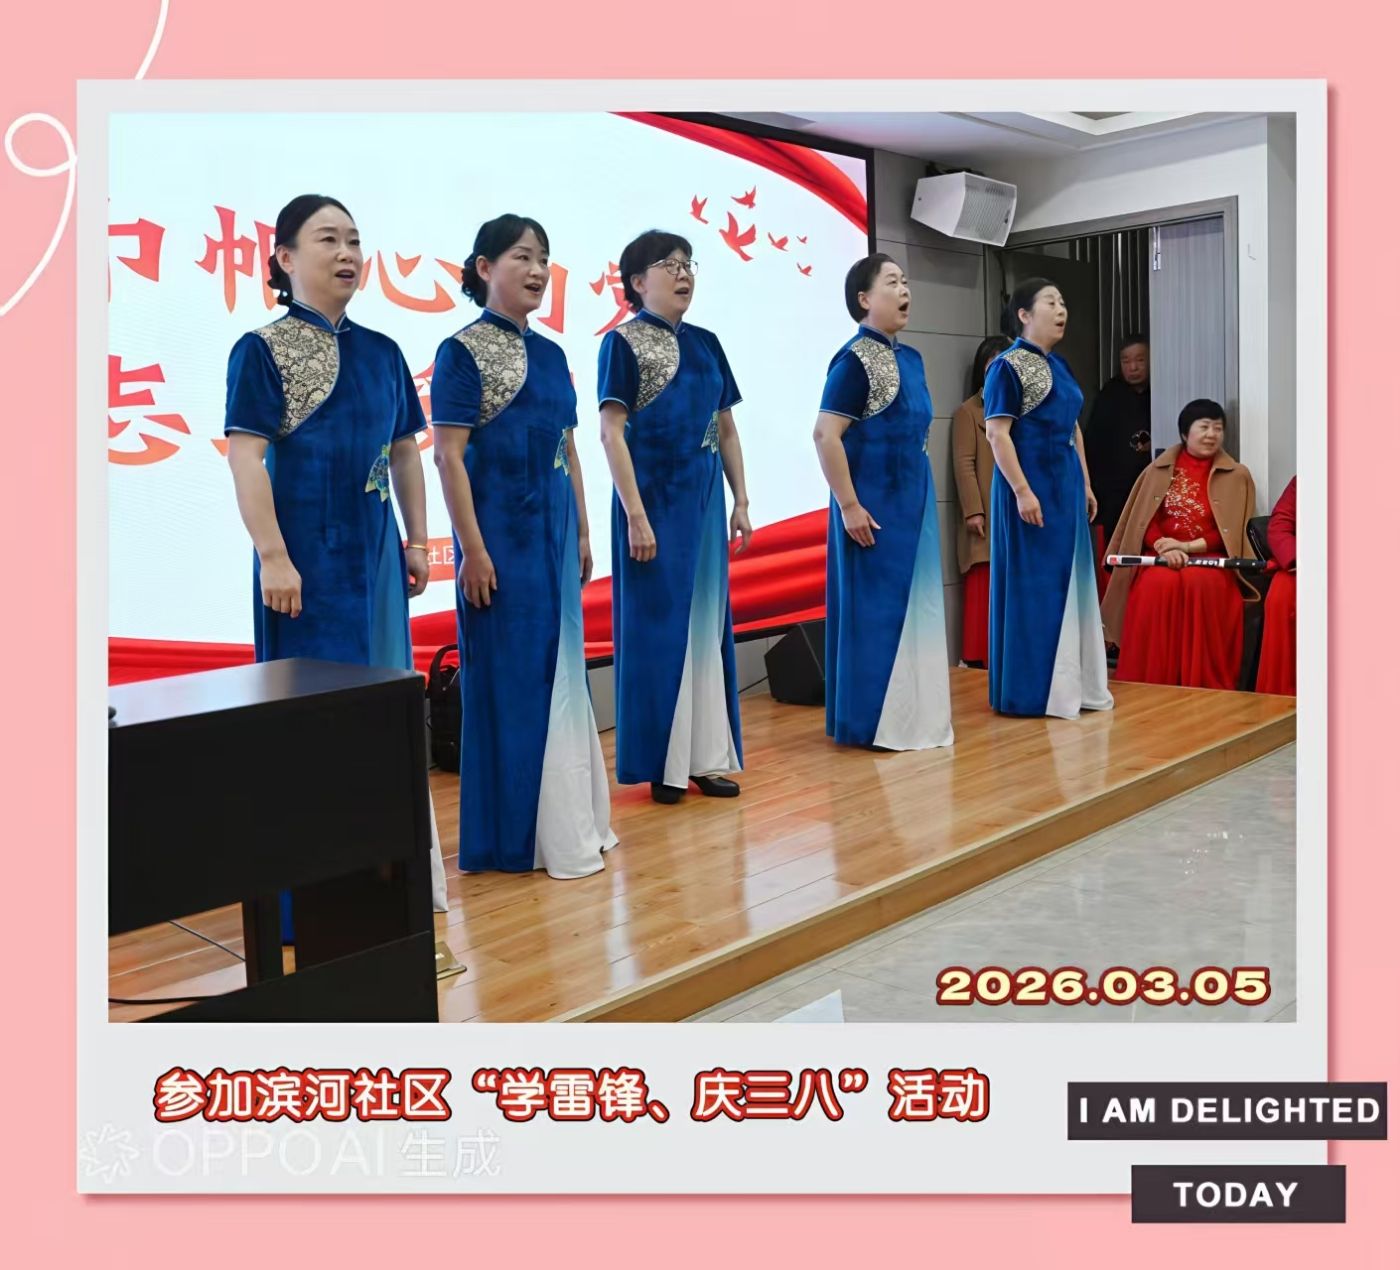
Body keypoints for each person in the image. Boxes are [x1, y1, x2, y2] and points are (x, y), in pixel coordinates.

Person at [224, 194, 448, 929]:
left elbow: (406, 452)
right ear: (286, 259)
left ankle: (386, 888)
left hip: (375, 563)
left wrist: (417, 541)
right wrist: (273, 557)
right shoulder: (261, 349)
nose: (347, 253)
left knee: (382, 717)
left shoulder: (382, 351)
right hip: (303, 573)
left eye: (354, 239)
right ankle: (310, 910)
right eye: (328, 240)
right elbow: (246, 458)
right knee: (311, 727)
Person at [431, 214, 617, 877]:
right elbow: (448, 458)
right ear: (484, 268)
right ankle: (514, 838)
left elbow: (569, 448)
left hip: (555, 540)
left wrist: (584, 530)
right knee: (511, 682)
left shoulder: (554, 355)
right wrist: (473, 551)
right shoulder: (461, 352)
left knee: (562, 674)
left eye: (543, 258)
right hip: (500, 545)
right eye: (522, 256)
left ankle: (568, 823)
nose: (538, 270)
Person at [597, 230, 752, 804]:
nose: (684, 273)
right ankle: (662, 764)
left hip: (704, 505)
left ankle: (705, 757)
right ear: (638, 282)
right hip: (653, 507)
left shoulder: (708, 344)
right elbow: (611, 433)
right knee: (658, 633)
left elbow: (726, 429)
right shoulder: (622, 343)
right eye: (669, 264)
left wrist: (741, 500)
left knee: (706, 628)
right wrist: (636, 515)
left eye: (688, 264)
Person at [814, 254, 954, 750]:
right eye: (892, 282)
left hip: (914, 501)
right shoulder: (853, 360)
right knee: (876, 613)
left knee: (920, 607)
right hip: (871, 508)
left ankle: (916, 718)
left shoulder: (912, 359)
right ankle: (875, 724)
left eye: (906, 281)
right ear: (864, 299)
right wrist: (849, 505)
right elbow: (826, 435)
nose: (904, 290)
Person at [983, 278, 1113, 719]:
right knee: (1035, 587)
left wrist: (1086, 484)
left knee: (1071, 582)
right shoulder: (1006, 366)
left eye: (1063, 302)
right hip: (1029, 489)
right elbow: (997, 434)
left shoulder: (1060, 365)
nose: (1061, 310)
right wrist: (1022, 491)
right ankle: (1034, 692)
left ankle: (1076, 685)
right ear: (1023, 315)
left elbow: (1073, 428)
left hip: (1065, 488)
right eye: (1051, 302)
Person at [1102, 400, 1258, 689]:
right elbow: (1143, 521)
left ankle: (1203, 683)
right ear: (1185, 433)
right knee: (1157, 585)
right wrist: (1166, 546)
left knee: (1201, 583)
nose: (1211, 434)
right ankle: (1149, 682)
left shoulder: (1237, 475)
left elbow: (1232, 531)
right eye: (1204, 427)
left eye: (1218, 428)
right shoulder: (1156, 471)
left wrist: (1187, 548)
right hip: (1160, 555)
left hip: (1211, 557)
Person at [951, 334, 1013, 668]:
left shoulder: (1021, 407)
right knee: (983, 580)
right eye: (992, 366)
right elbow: (964, 465)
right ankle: (976, 657)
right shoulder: (968, 411)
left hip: (1017, 509)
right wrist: (974, 511)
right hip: (986, 512)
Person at [1084, 334, 1152, 581]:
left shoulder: (1162, 390)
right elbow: (1093, 444)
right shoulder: (1109, 396)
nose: (1133, 367)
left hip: (1149, 489)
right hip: (1114, 492)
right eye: (1126, 361)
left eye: (1140, 360)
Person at [1255, 476, 1297, 695]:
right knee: (1281, 594)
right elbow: (1279, 525)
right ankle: (1280, 693)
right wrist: (1297, 560)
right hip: (1303, 564)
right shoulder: (1305, 480)